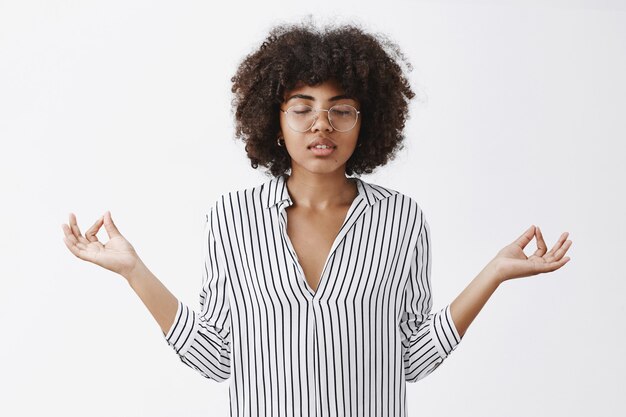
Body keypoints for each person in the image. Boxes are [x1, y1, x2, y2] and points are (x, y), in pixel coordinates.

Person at [61, 19, 572, 417]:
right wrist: (134, 270)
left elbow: (414, 358)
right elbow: (214, 357)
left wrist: (495, 273)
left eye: (341, 108)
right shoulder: (233, 218)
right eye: (302, 108)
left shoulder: (400, 219)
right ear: (275, 121)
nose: (321, 124)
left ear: (365, 120)